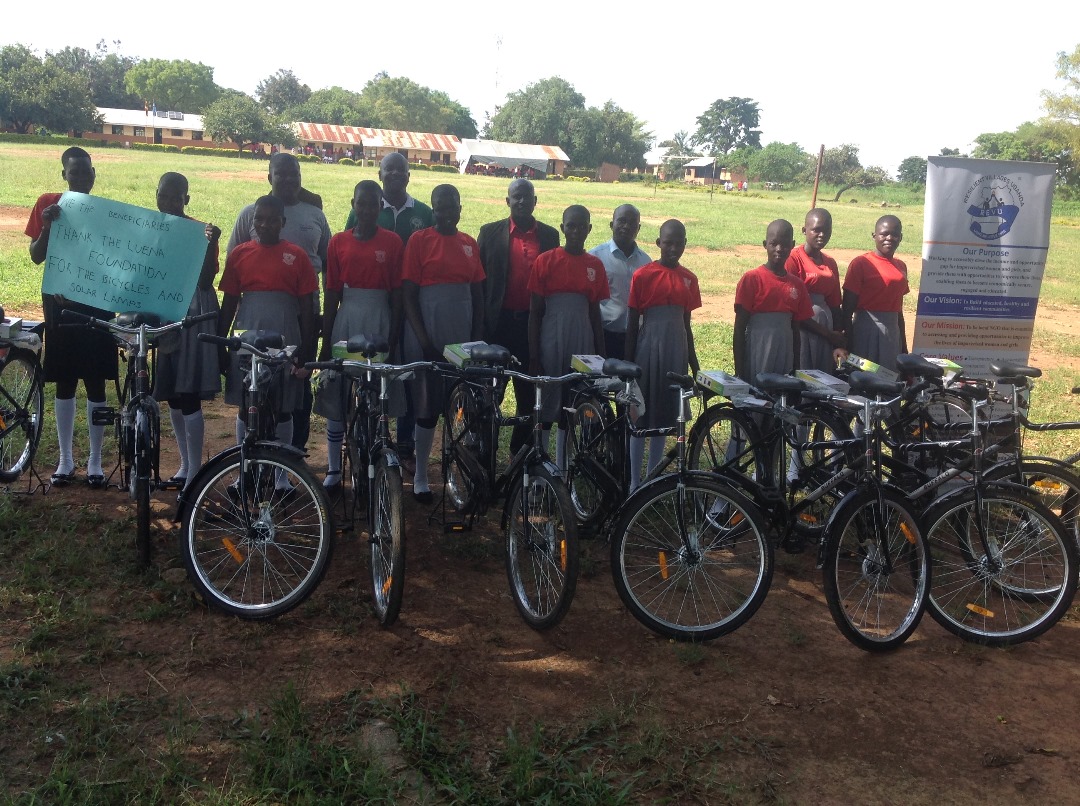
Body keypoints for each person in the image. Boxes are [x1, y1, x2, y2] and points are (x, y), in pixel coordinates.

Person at [25, 146, 118, 488]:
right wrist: (48, 226)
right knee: (64, 379)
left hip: (96, 300)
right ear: (63, 173)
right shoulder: (48, 203)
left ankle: (95, 461)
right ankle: (65, 460)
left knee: (95, 379)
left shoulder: (105, 212)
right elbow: (36, 256)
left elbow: (116, 258)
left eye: (85, 171)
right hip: (60, 300)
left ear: (94, 175)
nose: (80, 177)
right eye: (73, 171)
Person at [227, 153, 330, 452]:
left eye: (293, 173)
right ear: (269, 176)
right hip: (253, 316)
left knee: (292, 390)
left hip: (300, 309)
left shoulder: (314, 214)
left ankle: (291, 457)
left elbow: (327, 263)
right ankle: (248, 460)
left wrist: (320, 317)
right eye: (280, 173)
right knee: (249, 392)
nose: (287, 179)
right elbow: (235, 270)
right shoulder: (249, 213)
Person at [345, 152, 436, 473]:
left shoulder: (423, 212)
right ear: (380, 174)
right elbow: (348, 250)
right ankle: (366, 436)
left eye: (401, 169)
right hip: (372, 304)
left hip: (410, 304)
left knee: (405, 373)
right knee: (368, 373)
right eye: (389, 169)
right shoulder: (364, 207)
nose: (395, 174)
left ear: (409, 175)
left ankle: (406, 443)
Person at [317, 180, 405, 491]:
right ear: (353, 205)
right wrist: (327, 341)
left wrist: (393, 337)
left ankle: (376, 461)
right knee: (340, 391)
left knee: (377, 393)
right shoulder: (338, 242)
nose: (366, 210)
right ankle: (333, 467)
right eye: (361, 203)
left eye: (373, 204)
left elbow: (397, 294)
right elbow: (332, 293)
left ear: (381, 207)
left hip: (379, 317)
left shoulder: (392, 242)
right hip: (348, 319)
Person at [218, 195, 318, 465]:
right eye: (259, 219)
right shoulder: (240, 254)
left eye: (272, 220)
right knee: (246, 401)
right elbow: (229, 303)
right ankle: (245, 467)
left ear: (282, 222)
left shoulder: (297, 256)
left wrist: (307, 347)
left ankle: (281, 473)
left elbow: (307, 306)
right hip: (248, 329)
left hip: (285, 330)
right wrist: (221, 344)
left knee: (283, 405)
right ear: (252, 221)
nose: (264, 225)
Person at [401, 184, 485, 503]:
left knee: (459, 406)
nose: (446, 213)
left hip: (461, 334)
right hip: (428, 333)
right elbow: (409, 296)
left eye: (452, 207)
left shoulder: (468, 244)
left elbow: (477, 295)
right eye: (440, 207)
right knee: (426, 407)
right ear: (432, 209)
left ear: (460, 209)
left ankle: (457, 471)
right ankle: (422, 475)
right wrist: (425, 342)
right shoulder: (419, 241)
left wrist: (475, 341)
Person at [478, 178, 560, 453]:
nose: (522, 201)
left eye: (527, 196)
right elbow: (479, 282)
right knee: (491, 394)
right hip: (498, 325)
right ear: (508, 201)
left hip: (531, 327)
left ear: (535, 201)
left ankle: (519, 455)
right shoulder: (489, 233)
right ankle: (485, 455)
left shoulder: (550, 236)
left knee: (528, 394)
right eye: (517, 196)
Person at [152, 172, 222, 491]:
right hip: (164, 312)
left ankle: (195, 470)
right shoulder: (150, 229)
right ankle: (184, 463)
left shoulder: (199, 233)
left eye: (175, 197)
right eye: (163, 196)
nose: (168, 202)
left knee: (188, 391)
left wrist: (211, 243)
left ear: (186, 199)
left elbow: (206, 281)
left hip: (192, 313)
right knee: (172, 395)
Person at [527, 205, 609, 473]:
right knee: (548, 401)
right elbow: (535, 312)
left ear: (589, 229)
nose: (576, 231)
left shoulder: (594, 265)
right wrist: (534, 355)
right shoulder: (546, 261)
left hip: (581, 338)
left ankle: (562, 468)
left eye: (581, 226)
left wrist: (601, 355)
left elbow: (595, 313)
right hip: (552, 337)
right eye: (571, 225)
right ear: (562, 228)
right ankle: (541, 462)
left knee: (571, 405)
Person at [624, 219, 701, 489]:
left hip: (675, 351)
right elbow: (632, 324)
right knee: (641, 414)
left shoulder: (689, 279)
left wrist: (695, 366)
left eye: (679, 243)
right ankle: (634, 481)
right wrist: (629, 364)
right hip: (648, 349)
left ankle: (652, 478)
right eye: (668, 243)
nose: (674, 248)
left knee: (665, 415)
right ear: (658, 243)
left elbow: (686, 325)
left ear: (685, 244)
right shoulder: (643, 275)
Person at [733, 220, 813, 382]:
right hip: (758, 347)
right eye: (773, 244)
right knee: (757, 388)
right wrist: (739, 372)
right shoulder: (752, 279)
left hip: (784, 350)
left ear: (792, 245)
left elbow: (795, 330)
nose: (779, 249)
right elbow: (739, 328)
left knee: (782, 391)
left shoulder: (797, 285)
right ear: (765, 244)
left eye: (784, 245)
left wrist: (796, 368)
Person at [842, 215, 910, 371]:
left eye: (894, 234)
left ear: (900, 238)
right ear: (874, 236)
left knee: (890, 375)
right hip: (866, 329)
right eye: (884, 234)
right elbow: (847, 309)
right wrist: (849, 342)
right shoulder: (861, 263)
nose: (889, 238)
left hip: (892, 330)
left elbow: (899, 310)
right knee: (864, 375)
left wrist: (903, 345)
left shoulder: (901, 267)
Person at [785, 208, 847, 373]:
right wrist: (827, 334)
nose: (822, 235)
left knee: (823, 372)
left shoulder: (830, 262)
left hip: (826, 328)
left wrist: (837, 338)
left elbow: (835, 305)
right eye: (816, 230)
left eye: (826, 231)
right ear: (804, 230)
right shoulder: (793, 259)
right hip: (804, 328)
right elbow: (794, 309)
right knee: (805, 368)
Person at [589, 204, 652, 360]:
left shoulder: (646, 262)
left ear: (639, 228)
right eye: (622, 221)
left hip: (636, 337)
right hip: (604, 335)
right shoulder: (596, 258)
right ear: (612, 225)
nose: (626, 226)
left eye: (632, 223)